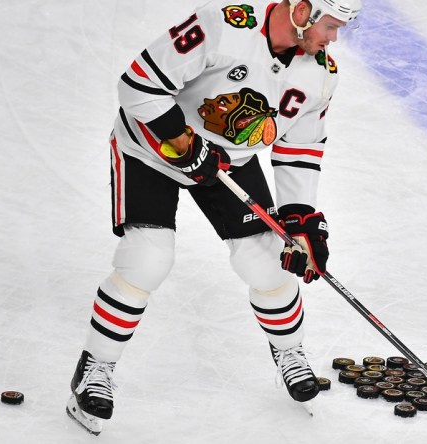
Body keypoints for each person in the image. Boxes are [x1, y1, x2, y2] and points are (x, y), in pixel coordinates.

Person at [66, 0, 362, 435]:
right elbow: (138, 84)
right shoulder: (223, 25)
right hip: (147, 150)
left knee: (264, 261)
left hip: (227, 161)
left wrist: (300, 217)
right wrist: (183, 142)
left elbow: (300, 148)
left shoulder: (320, 74)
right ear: (303, 10)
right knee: (148, 259)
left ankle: (290, 351)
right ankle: (94, 369)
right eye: (331, 26)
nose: (333, 39)